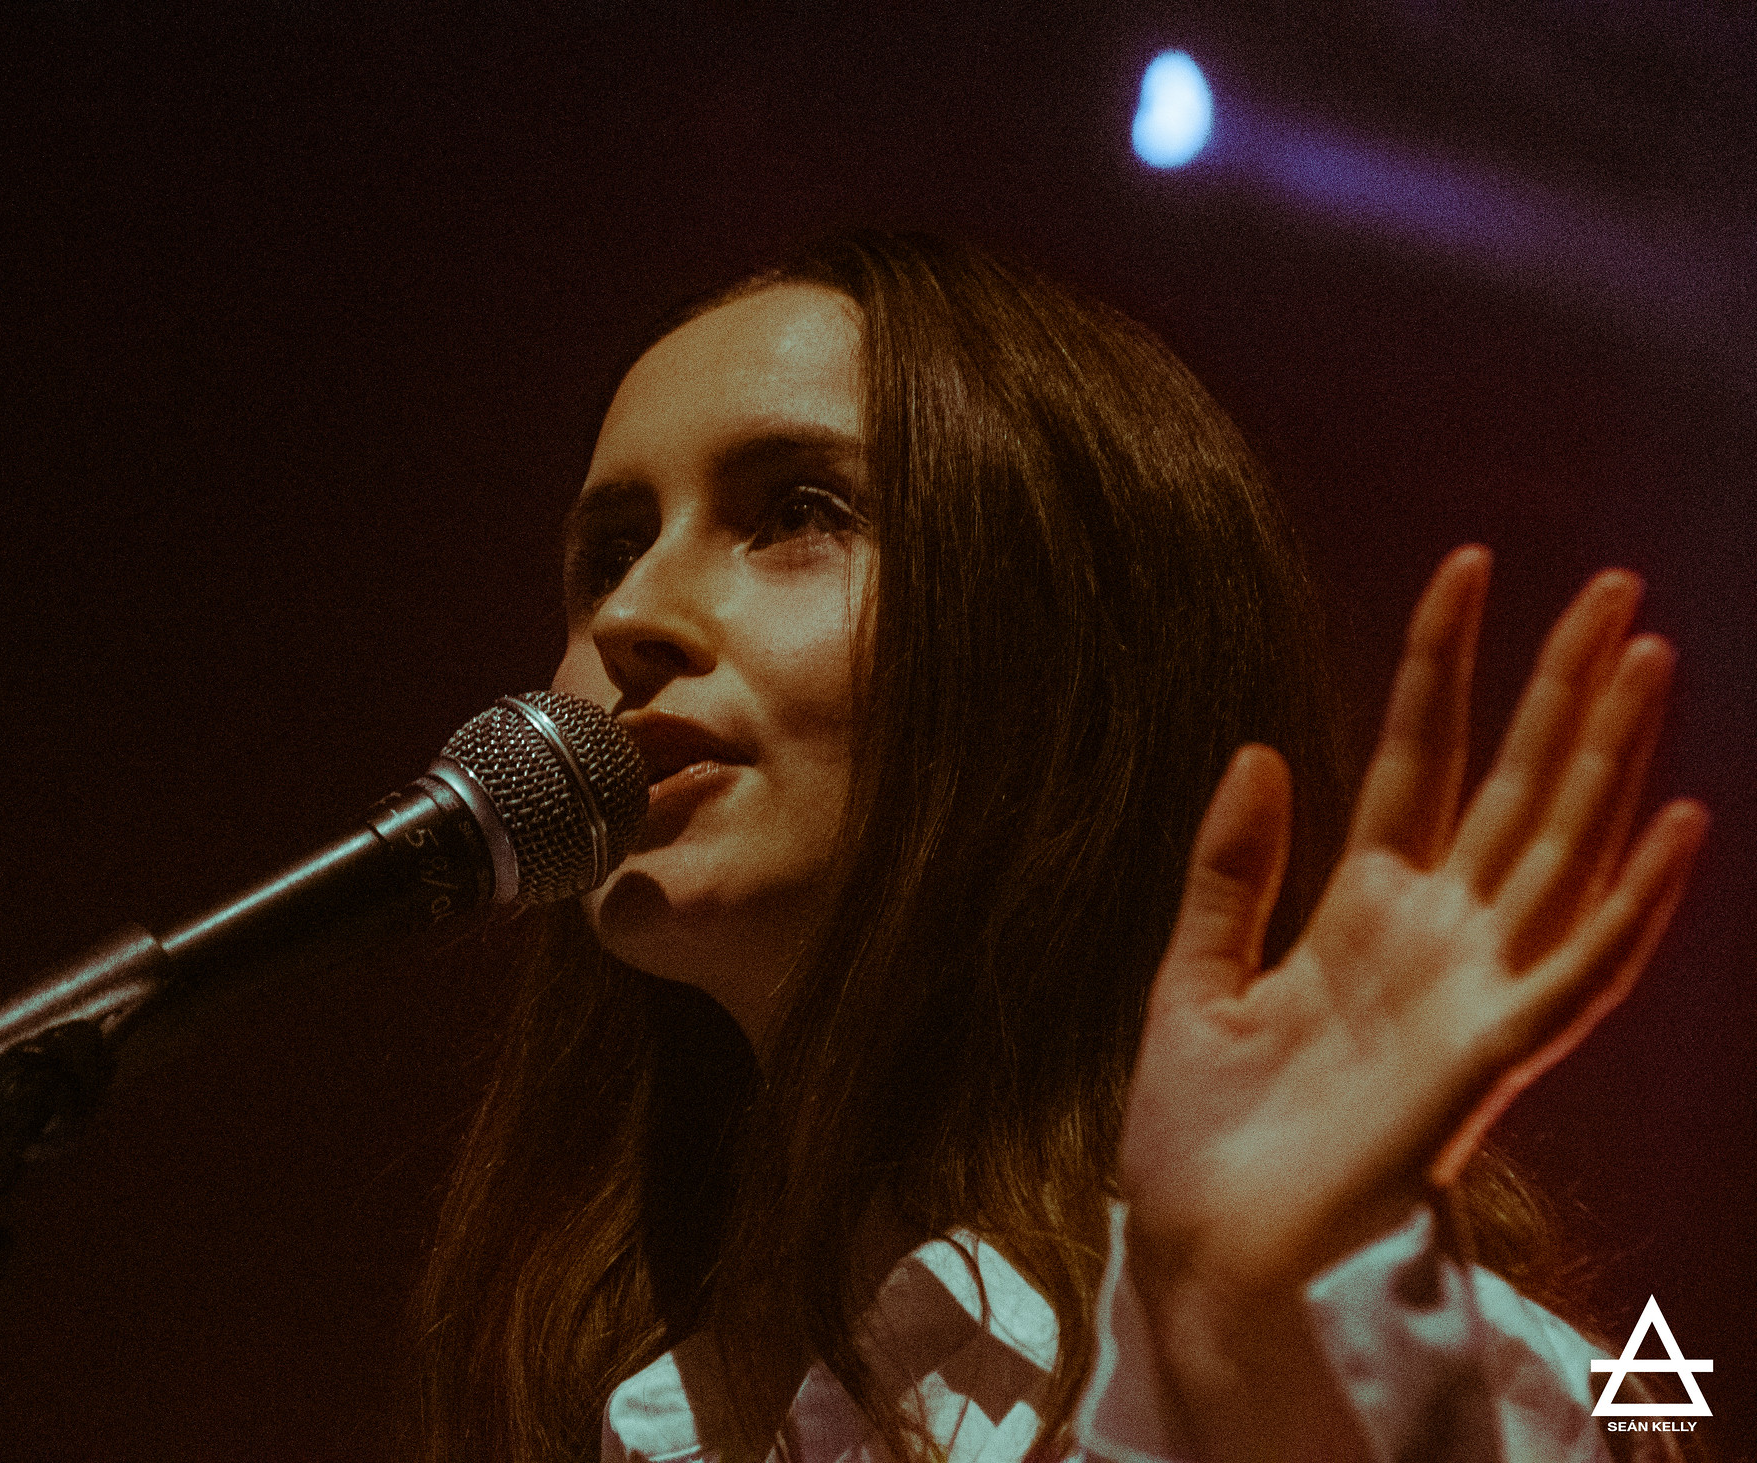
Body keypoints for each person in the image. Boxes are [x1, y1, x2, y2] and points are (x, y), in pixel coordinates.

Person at [408, 231, 1708, 1461]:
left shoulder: (1420, 1379)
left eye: (796, 509)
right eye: (610, 551)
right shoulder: (642, 1411)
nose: (633, 611)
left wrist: (1240, 1362)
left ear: (1064, 661)